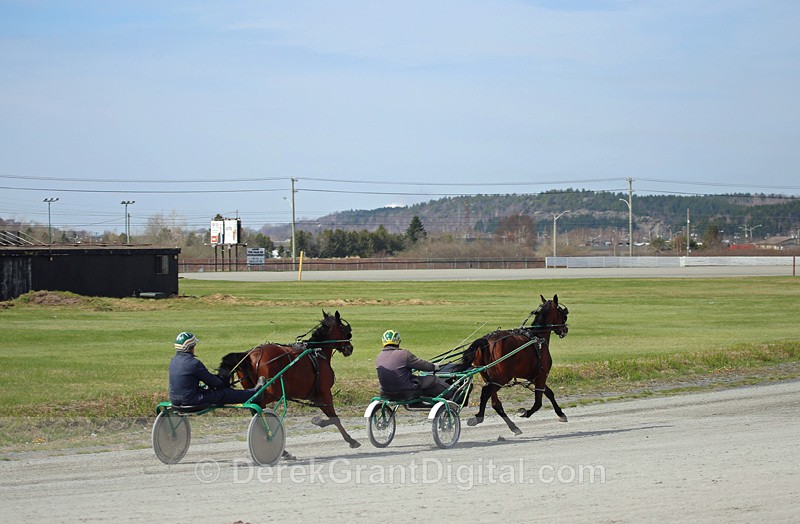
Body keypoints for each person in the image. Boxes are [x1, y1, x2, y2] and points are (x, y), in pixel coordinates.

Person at [169, 332, 266, 406]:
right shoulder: (194, 363)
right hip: (193, 400)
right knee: (225, 394)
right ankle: (255, 394)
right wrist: (223, 379)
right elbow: (215, 383)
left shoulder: (173, 361)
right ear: (191, 347)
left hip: (175, 400)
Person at [375, 329, 451, 399]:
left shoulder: (378, 356)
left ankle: (416, 403)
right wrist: (434, 367)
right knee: (433, 379)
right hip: (405, 390)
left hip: (386, 392)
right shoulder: (404, 354)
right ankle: (453, 396)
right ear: (398, 341)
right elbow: (422, 365)